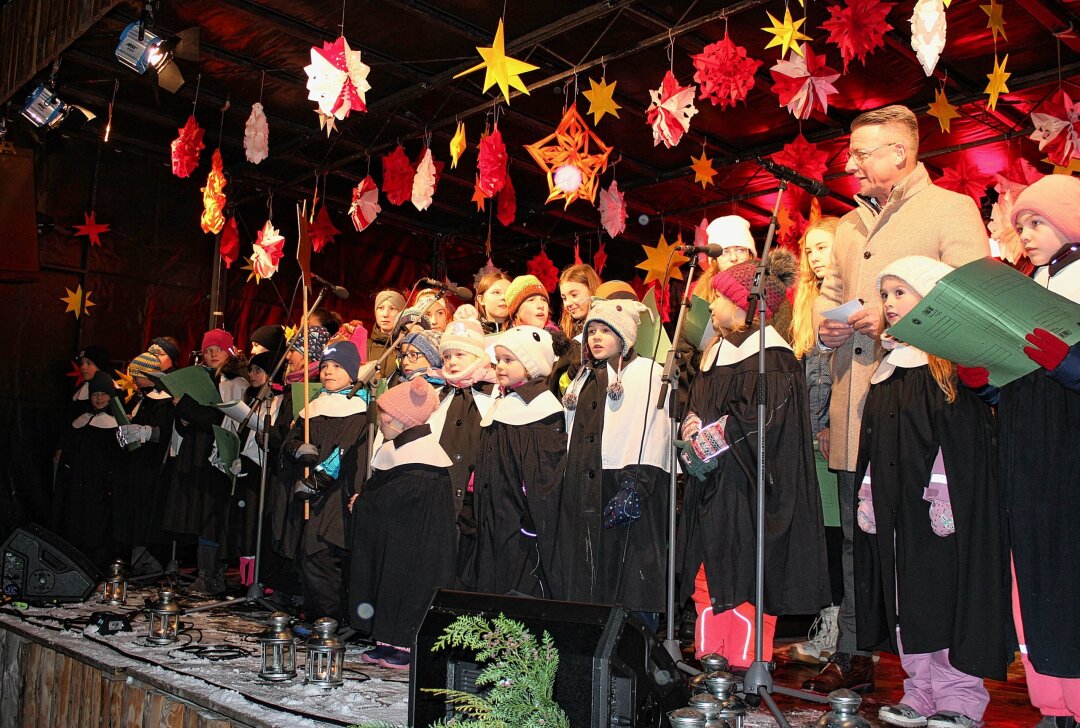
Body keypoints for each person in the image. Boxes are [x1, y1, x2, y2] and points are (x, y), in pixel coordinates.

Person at [809, 105, 989, 693]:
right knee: (861, 535)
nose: (851, 163)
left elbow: (972, 298)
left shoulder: (951, 210)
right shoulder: (845, 226)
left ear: (901, 153)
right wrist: (827, 324)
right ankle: (860, 650)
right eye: (852, 152)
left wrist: (882, 324)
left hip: (926, 401)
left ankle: (947, 671)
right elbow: (828, 295)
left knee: (926, 539)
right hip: (855, 398)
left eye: (862, 152)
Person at [860, 257, 1009, 728]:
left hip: (937, 514)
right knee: (908, 601)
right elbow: (875, 443)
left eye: (900, 292)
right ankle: (919, 691)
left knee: (946, 597)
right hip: (898, 509)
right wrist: (868, 493)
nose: (889, 303)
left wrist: (944, 494)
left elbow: (961, 441)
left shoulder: (949, 369)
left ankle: (960, 698)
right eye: (885, 295)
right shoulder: (888, 369)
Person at [678, 249, 830, 672]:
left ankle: (745, 667)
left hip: (748, 489)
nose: (715, 307)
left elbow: (761, 424)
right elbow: (703, 409)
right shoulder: (719, 354)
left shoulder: (773, 358)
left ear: (746, 303)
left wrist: (709, 438)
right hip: (713, 489)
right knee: (707, 578)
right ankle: (713, 666)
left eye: (723, 299)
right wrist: (690, 425)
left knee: (746, 577)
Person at [965, 175, 1080, 728]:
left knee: (1067, 573)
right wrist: (984, 379)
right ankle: (1052, 701)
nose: (1026, 234)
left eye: (1036, 222)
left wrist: (1071, 364)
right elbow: (1018, 380)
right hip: (1025, 446)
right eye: (1021, 226)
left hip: (1068, 452)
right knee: (1030, 574)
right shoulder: (1026, 286)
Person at [554, 299, 671, 624]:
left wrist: (635, 484)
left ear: (625, 335)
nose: (596, 337)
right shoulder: (586, 377)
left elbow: (654, 430)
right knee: (594, 579)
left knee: (631, 575)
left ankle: (640, 650)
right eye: (591, 330)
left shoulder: (646, 373)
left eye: (606, 330)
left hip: (627, 483)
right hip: (588, 487)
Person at [350, 377, 452, 670]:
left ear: (403, 420)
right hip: (398, 541)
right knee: (389, 579)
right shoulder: (402, 449)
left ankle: (404, 645)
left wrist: (363, 503)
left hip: (415, 548)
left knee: (407, 585)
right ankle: (387, 639)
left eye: (386, 414)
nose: (382, 420)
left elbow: (395, 498)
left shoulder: (423, 460)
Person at [472, 326, 566, 597]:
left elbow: (544, 474)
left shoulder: (542, 410)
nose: (499, 366)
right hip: (495, 512)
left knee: (521, 577)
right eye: (498, 360)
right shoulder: (504, 401)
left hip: (520, 518)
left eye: (508, 360)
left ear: (530, 365)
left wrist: (530, 516)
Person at [788, 216, 845, 664]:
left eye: (823, 247)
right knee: (821, 536)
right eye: (809, 250)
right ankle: (830, 624)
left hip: (832, 437)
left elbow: (838, 376)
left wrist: (828, 424)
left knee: (836, 535)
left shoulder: (847, 299)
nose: (815, 257)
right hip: (807, 438)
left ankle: (839, 630)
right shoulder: (803, 303)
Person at [280, 341, 368, 622]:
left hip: (334, 494)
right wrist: (296, 448)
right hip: (307, 493)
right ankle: (314, 613)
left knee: (320, 554)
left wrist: (317, 481)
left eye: (337, 366)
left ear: (352, 372)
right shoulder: (313, 406)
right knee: (304, 554)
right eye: (326, 366)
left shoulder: (357, 408)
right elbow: (291, 439)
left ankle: (328, 618)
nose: (329, 371)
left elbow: (344, 451)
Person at [161, 328, 249, 596]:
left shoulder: (235, 383)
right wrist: (183, 417)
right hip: (196, 453)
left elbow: (224, 420)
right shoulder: (203, 379)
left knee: (213, 516)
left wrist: (188, 409)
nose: (212, 355)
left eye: (218, 350)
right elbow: (195, 420)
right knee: (199, 516)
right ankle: (203, 573)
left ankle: (212, 576)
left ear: (229, 353)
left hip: (217, 456)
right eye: (208, 350)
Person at [432, 306, 497, 588]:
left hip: (476, 501)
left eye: (460, 354)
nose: (453, 361)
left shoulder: (491, 393)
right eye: (447, 355)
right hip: (442, 497)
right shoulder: (439, 395)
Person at [113, 351, 174, 569]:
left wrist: (147, 432)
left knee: (149, 514)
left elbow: (166, 431)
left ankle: (150, 560)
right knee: (137, 514)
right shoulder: (145, 399)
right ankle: (138, 558)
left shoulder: (166, 400)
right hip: (139, 466)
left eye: (136, 375)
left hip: (155, 467)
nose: (134, 380)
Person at [54, 371, 120, 567]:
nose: (99, 398)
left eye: (103, 394)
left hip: (99, 485)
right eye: (95, 394)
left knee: (96, 526)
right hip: (76, 483)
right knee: (75, 521)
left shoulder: (115, 424)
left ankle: (96, 563)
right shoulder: (80, 421)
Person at [691, 215, 757, 303]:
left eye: (740, 250)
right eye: (724, 252)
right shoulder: (702, 294)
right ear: (715, 260)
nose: (733, 258)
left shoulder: (764, 290)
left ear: (750, 255)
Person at [558, 263, 602, 339]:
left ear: (591, 290)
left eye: (574, 295)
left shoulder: (609, 328)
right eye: (564, 298)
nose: (568, 303)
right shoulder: (565, 330)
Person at [366, 289, 406, 373]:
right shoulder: (364, 346)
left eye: (392, 308)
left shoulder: (407, 347)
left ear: (401, 313)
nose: (385, 314)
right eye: (380, 308)